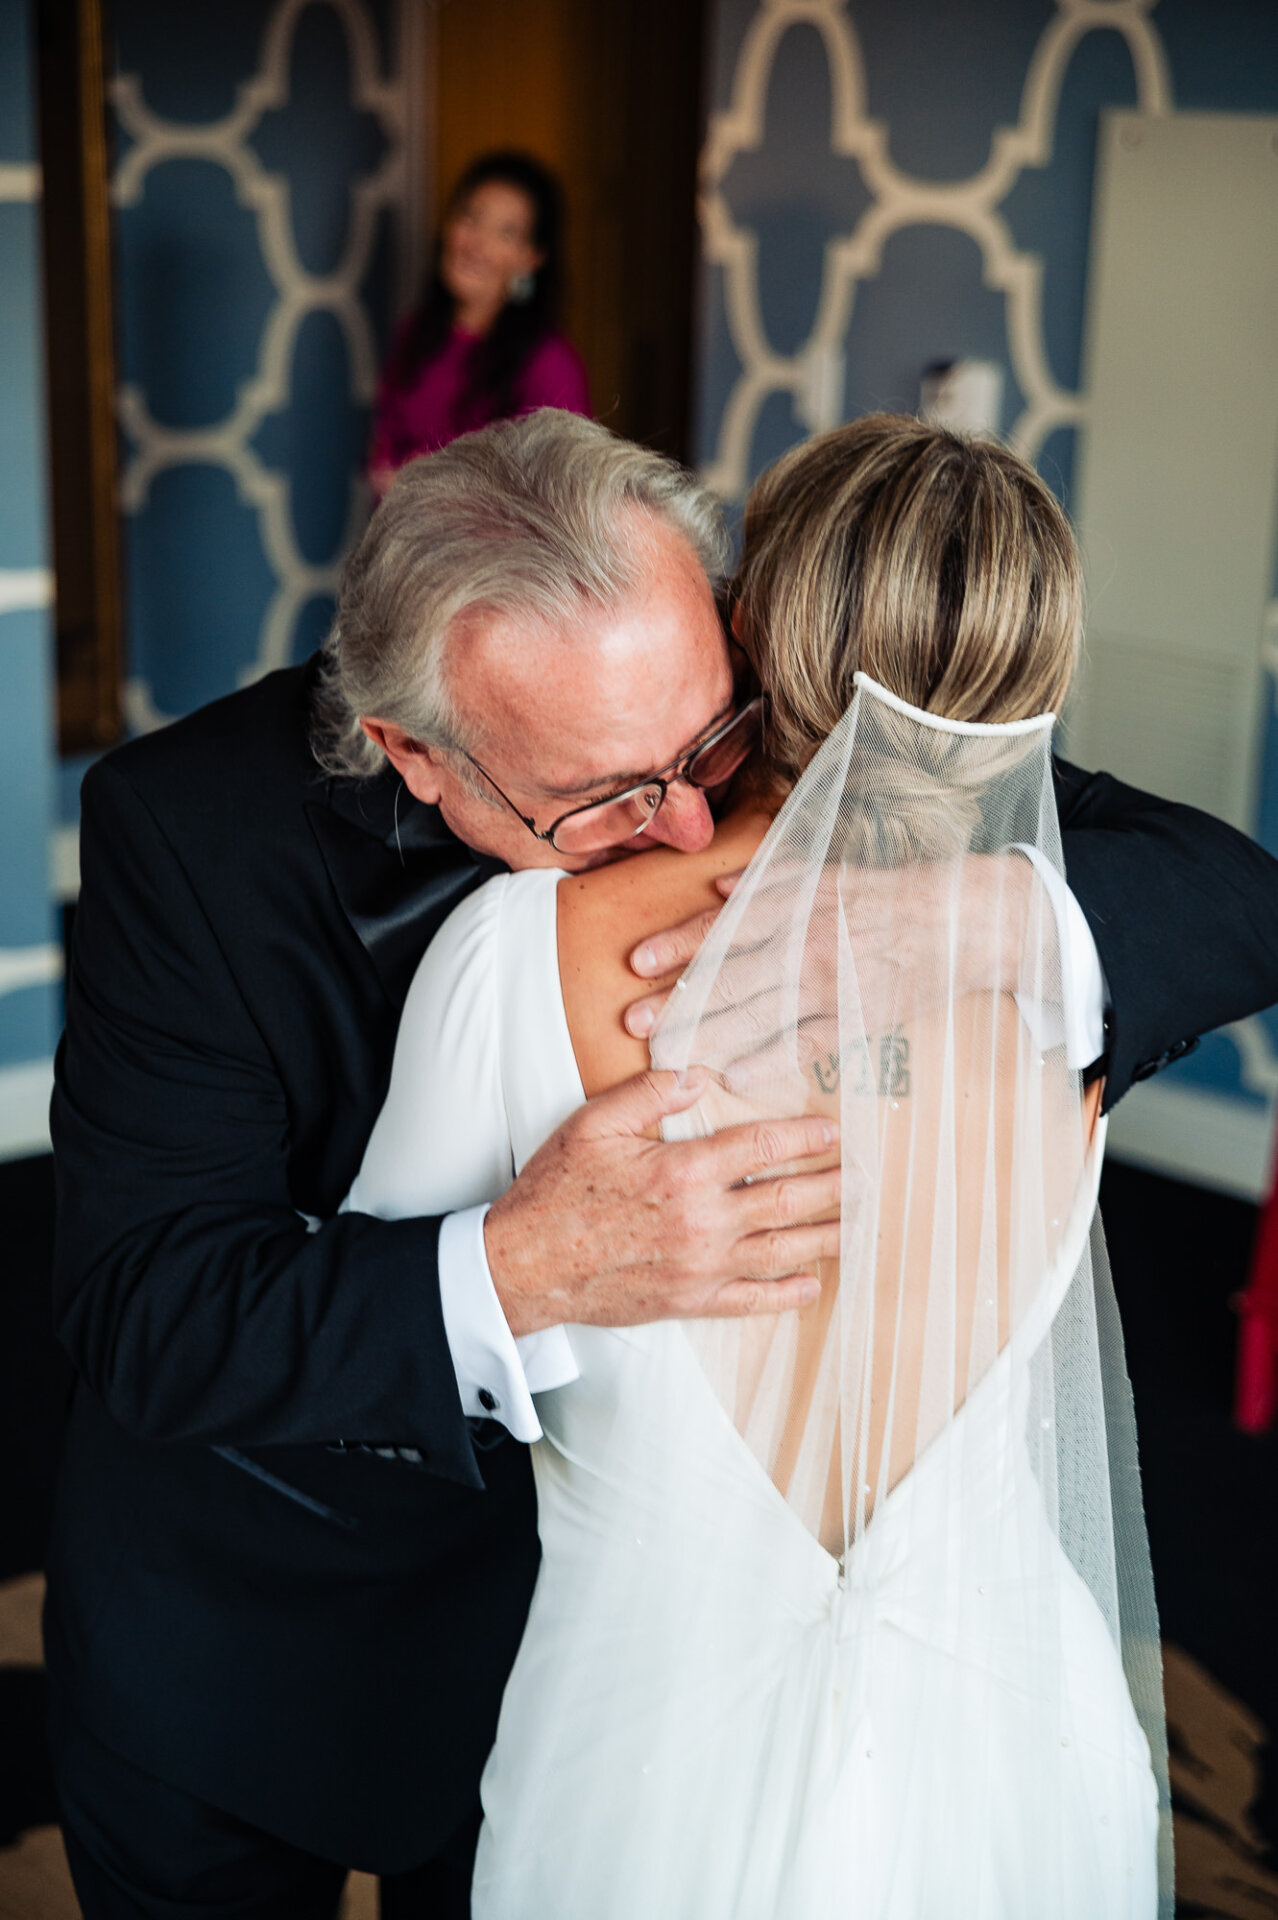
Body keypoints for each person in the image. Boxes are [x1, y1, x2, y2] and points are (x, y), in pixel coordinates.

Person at [47, 409, 1278, 1914]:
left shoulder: (813, 741)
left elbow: (1226, 892)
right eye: (608, 797)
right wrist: (518, 1264)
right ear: (412, 756)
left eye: (713, 740)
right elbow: (145, 1306)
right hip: (266, 1628)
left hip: (606, 1670)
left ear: (734, 629)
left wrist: (980, 922)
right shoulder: (186, 831)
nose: (695, 823)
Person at [347, 414, 1170, 1915]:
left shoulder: (531, 949)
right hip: (1026, 1757)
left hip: (650, 1767)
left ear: (747, 628)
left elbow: (371, 1390)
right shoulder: (1084, 981)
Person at [367, 150, 589, 495]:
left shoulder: (550, 365)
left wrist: (431, 486)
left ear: (530, 259)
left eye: (505, 233)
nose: (476, 244)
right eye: (470, 218)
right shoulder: (415, 332)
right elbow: (385, 447)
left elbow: (561, 492)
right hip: (402, 540)